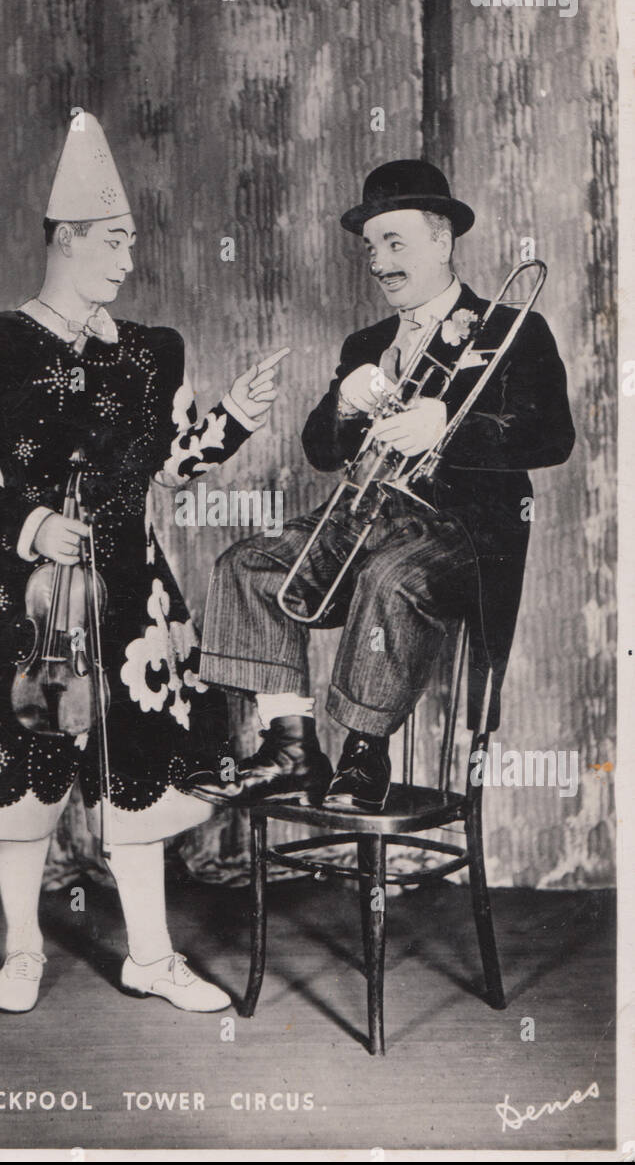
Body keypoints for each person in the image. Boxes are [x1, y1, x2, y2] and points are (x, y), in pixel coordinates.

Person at [0, 111, 286, 1013]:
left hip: (134, 594)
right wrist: (31, 521)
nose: (128, 262)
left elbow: (171, 466)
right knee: (23, 759)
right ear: (65, 241)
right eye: (113, 243)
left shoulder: (150, 351)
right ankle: (21, 951)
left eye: (132, 244)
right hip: (34, 593)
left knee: (142, 771)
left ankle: (151, 958)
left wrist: (233, 418)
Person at [196, 159, 575, 810]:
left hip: (461, 533)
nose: (377, 261)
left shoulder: (511, 329)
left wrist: (448, 425)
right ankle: (292, 748)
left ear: (441, 240)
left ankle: (362, 755)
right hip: (361, 515)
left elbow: (551, 438)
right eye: (370, 247)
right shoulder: (367, 341)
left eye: (394, 242)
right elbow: (321, 450)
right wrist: (346, 402)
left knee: (390, 577)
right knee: (245, 566)